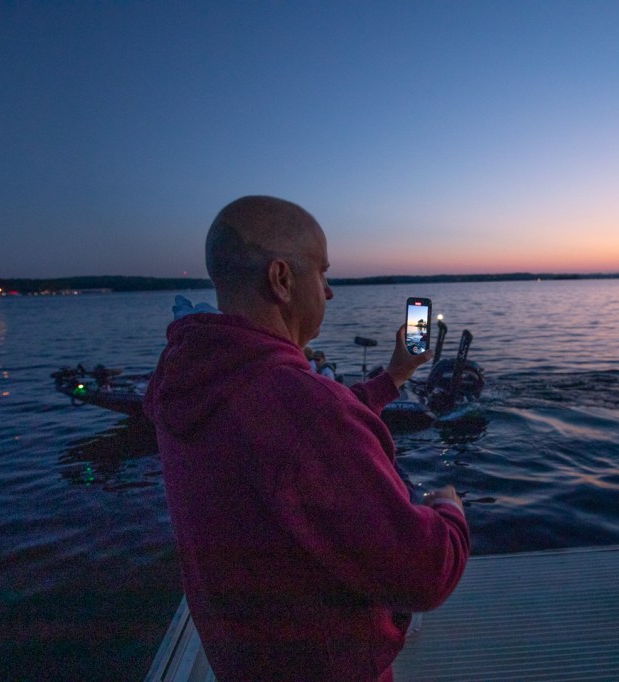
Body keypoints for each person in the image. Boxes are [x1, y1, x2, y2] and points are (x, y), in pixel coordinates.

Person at [144, 196, 470, 681]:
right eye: (322, 273)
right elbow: (424, 574)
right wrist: (449, 512)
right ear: (281, 279)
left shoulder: (190, 376)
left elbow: (297, 431)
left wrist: (394, 377)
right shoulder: (299, 406)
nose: (330, 292)